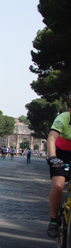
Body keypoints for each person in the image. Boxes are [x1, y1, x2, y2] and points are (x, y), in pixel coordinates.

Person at [45, 102, 71, 238]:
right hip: (61, 155)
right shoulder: (63, 118)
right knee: (58, 185)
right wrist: (53, 158)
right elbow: (51, 139)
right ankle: (54, 220)